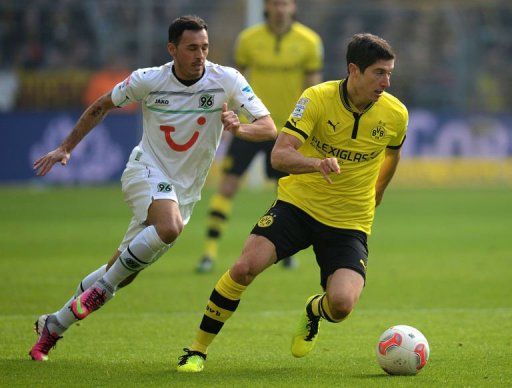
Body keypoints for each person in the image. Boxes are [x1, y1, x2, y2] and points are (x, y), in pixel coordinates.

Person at [29, 15, 277, 362]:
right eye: (192, 48)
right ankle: (100, 292)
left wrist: (240, 129)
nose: (200, 55)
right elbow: (101, 106)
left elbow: (268, 128)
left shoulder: (227, 80)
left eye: (204, 47)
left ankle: (53, 325)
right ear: (172, 49)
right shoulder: (148, 79)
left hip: (184, 193)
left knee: (123, 269)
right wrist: (66, 147)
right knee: (167, 229)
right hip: (145, 171)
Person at [177, 33, 408, 372]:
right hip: (298, 207)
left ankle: (313, 311)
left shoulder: (396, 113)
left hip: (349, 220)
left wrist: (378, 193)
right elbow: (279, 156)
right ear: (353, 70)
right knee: (244, 267)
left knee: (342, 306)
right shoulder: (317, 98)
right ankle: (196, 350)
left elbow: (392, 155)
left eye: (390, 73)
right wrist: (317, 163)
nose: (386, 82)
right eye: (379, 73)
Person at [196, 0, 323, 273]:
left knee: (288, 194)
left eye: (285, 3)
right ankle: (209, 253)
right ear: (266, 7)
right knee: (228, 186)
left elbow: (314, 88)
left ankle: (286, 251)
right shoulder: (249, 40)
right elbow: (234, 81)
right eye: (275, 3)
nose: (280, 9)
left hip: (288, 131)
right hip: (250, 125)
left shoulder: (309, 42)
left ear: (293, 7)